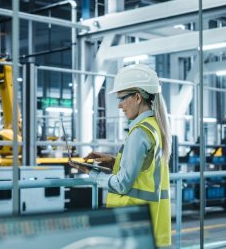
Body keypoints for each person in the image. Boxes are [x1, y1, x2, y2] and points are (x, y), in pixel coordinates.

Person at [69, 64, 172, 247]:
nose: (119, 105)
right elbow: (144, 169)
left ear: (138, 97)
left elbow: (122, 184)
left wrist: (90, 172)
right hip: (151, 220)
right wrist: (114, 162)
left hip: (132, 221)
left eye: (122, 98)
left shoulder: (140, 132)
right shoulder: (155, 127)